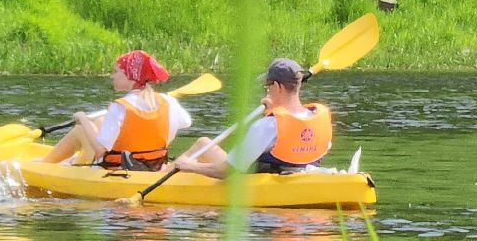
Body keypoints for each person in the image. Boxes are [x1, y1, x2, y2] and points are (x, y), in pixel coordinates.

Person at [168, 57, 331, 178]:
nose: (267, 91)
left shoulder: (267, 125)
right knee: (203, 143)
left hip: (261, 184)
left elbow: (228, 171)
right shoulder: (319, 116)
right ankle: (169, 169)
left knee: (193, 158)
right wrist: (274, 109)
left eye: (267, 86)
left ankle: (166, 173)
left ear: (277, 86)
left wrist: (189, 167)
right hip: (303, 177)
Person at [41, 50, 193, 169]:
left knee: (81, 130)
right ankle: (75, 161)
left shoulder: (120, 106)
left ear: (130, 76)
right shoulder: (168, 101)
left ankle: (43, 165)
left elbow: (100, 150)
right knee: (100, 121)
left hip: (117, 169)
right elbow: (186, 123)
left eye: (115, 71)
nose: (111, 76)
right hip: (154, 166)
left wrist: (83, 119)